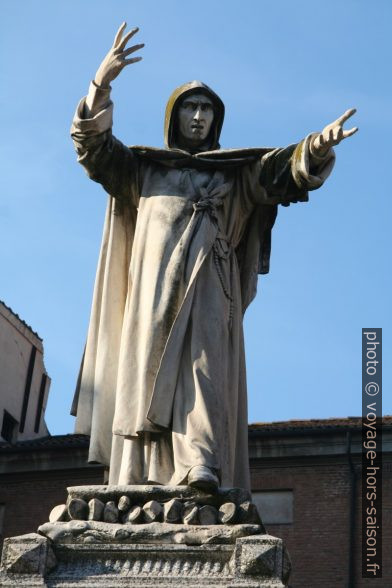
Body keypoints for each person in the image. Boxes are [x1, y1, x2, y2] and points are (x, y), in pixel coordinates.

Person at [70, 23, 357, 491]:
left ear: (216, 120)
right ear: (174, 116)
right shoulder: (143, 170)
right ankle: (138, 475)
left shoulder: (233, 176)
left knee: (203, 372)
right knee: (144, 376)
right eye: (190, 107)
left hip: (210, 287)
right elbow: (93, 150)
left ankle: (199, 463)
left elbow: (280, 173)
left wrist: (316, 149)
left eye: (206, 109)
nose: (198, 116)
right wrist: (99, 85)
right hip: (151, 294)